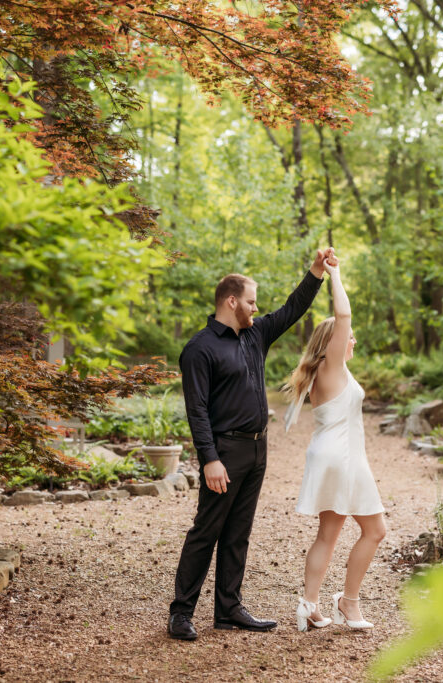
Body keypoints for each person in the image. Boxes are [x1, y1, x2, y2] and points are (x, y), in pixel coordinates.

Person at [168, 250, 330, 641]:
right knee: (206, 532)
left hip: (258, 449)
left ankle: (228, 610)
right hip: (225, 452)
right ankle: (180, 614)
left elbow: (293, 309)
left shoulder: (256, 334)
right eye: (251, 301)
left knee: (238, 531)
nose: (257, 307)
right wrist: (210, 459)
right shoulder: (200, 349)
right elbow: (197, 410)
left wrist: (315, 272)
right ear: (231, 301)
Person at [283, 252, 386, 632]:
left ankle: (309, 605)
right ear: (332, 343)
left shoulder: (326, 374)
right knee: (375, 531)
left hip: (332, 457)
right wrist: (335, 274)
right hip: (342, 459)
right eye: (348, 337)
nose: (353, 338)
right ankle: (349, 603)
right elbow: (344, 317)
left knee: (328, 533)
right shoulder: (332, 366)